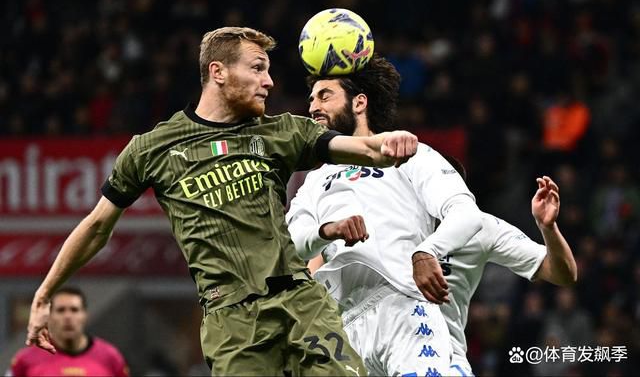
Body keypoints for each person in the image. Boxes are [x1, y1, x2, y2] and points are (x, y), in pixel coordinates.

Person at [25, 27, 420, 376]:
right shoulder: (151, 149)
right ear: (218, 72)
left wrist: (388, 144)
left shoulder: (279, 132)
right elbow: (96, 227)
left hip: (302, 303)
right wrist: (44, 293)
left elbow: (363, 147)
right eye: (257, 68)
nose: (269, 81)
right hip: (231, 320)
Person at [286, 55, 484, 377]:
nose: (313, 108)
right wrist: (326, 231)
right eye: (311, 99)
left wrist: (426, 252)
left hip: (403, 307)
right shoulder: (314, 181)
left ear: (359, 102)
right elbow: (291, 246)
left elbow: (466, 213)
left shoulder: (409, 154)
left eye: (325, 96)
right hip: (344, 329)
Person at [303, 155, 578, 376]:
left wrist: (548, 228)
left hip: (442, 359)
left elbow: (563, 273)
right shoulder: (382, 222)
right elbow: (313, 271)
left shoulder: (480, 228)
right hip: (366, 354)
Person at [9, 287, 128, 377]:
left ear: (85, 315)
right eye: (61, 310)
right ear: (49, 316)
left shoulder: (111, 357)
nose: (68, 316)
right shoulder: (25, 360)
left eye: (74, 310)